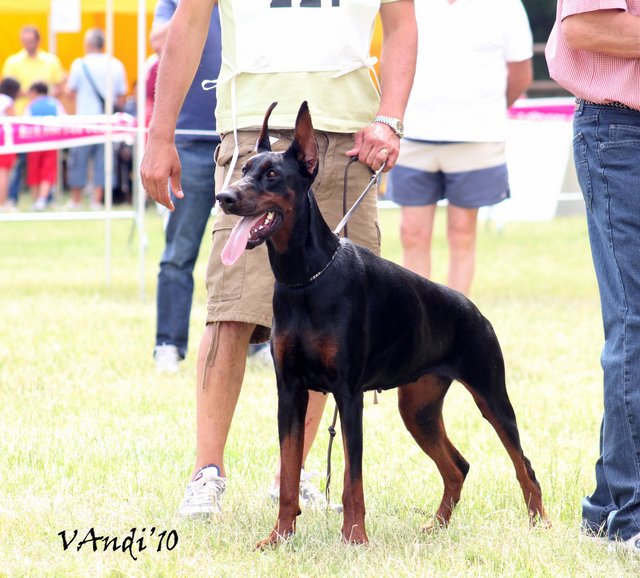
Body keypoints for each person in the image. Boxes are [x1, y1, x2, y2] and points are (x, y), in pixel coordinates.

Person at [141, 0, 417, 516]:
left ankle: (292, 473)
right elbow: (189, 23)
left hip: (351, 136)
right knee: (231, 309)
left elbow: (401, 23)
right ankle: (206, 473)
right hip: (253, 129)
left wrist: (390, 120)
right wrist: (160, 134)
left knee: (334, 315)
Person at [546, 1, 640, 553]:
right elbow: (584, 25)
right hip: (623, 131)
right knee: (634, 322)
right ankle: (632, 517)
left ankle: (609, 507)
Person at [386, 0, 533, 296]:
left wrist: (486, 112)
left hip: (476, 136)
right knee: (412, 233)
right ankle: (419, 315)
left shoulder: (506, 5)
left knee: (462, 233)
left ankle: (456, 317)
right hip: (413, 132)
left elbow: (520, 73)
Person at [150, 0, 222, 373]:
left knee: (254, 254)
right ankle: (169, 343)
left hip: (240, 136)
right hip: (191, 141)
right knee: (179, 252)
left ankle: (260, 343)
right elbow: (158, 41)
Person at [1, 25, 65, 209]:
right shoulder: (13, 62)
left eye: (30, 41)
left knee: (43, 162)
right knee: (20, 163)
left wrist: (42, 97)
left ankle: (43, 198)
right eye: (25, 41)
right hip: (18, 120)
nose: (27, 44)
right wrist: (33, 95)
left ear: (38, 40)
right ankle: (13, 196)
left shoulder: (51, 61)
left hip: (45, 123)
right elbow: (8, 88)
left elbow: (60, 85)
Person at [66, 28, 128, 210]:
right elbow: (121, 97)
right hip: (106, 120)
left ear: (88, 44)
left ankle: (76, 200)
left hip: (83, 120)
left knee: (78, 160)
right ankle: (97, 200)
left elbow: (71, 92)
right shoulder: (116, 64)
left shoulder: (79, 64)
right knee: (104, 162)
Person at [23, 82, 65, 211]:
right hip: (51, 142)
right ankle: (42, 200)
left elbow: (25, 123)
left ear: (35, 92)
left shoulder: (32, 105)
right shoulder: (55, 103)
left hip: (34, 143)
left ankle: (36, 200)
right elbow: (64, 120)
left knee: (34, 171)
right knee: (48, 171)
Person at [0, 77, 20, 211]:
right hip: (4, 138)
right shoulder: (7, 101)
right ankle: (2, 203)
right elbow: (15, 120)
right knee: (3, 172)